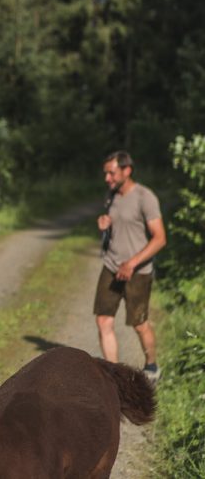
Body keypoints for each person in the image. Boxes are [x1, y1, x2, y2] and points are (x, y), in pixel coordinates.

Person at [94, 150, 166, 385]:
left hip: (137, 271)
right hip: (111, 265)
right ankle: (115, 376)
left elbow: (159, 238)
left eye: (112, 173)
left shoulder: (146, 197)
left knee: (139, 323)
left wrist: (131, 263)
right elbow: (117, 226)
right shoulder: (111, 195)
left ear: (127, 170)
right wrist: (105, 225)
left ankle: (152, 367)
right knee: (103, 320)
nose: (108, 179)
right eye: (106, 174)